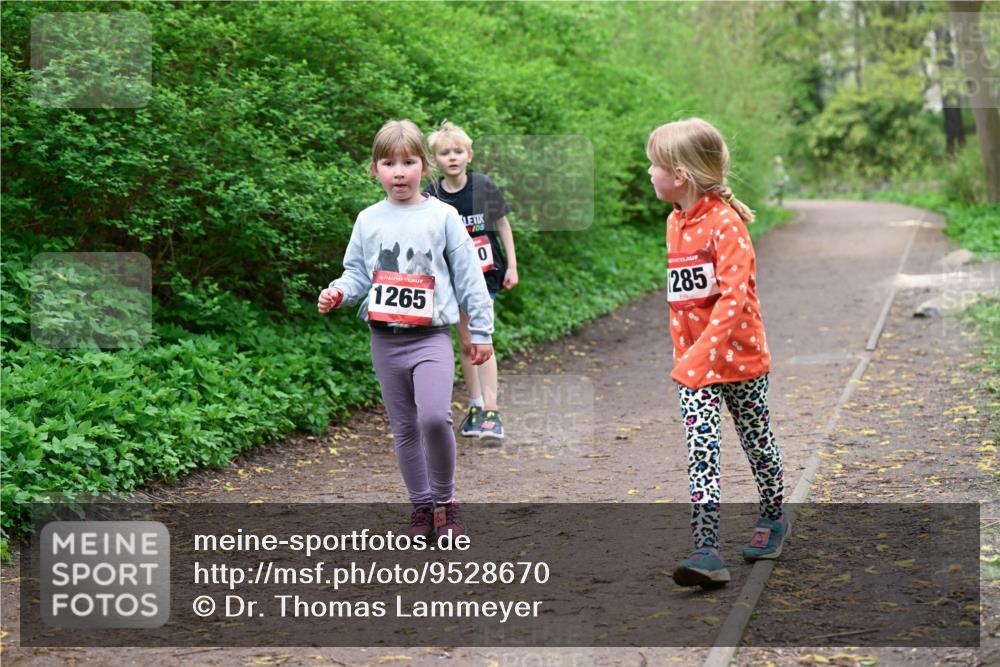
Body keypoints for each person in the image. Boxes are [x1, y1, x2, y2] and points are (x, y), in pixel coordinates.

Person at [318, 119, 494, 539]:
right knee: (404, 427)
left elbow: (470, 276)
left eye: (409, 162)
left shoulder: (444, 216)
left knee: (434, 417)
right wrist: (339, 293)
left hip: (431, 337)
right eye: (388, 163)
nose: (399, 172)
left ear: (425, 166)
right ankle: (420, 507)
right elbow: (357, 273)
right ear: (374, 169)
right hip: (385, 339)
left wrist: (482, 331)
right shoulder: (368, 219)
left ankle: (446, 505)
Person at [646, 118, 787, 588]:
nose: (649, 172)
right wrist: (688, 357)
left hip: (741, 360)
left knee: (757, 442)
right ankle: (706, 549)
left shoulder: (725, 224)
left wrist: (701, 354)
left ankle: (773, 515)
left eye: (655, 165)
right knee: (701, 451)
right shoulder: (674, 222)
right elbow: (684, 301)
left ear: (680, 174)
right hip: (696, 369)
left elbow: (734, 299)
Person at [425, 121, 518, 443]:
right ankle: (476, 405)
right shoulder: (432, 195)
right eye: (445, 153)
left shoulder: (483, 186)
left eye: (458, 152)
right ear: (434, 160)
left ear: (469, 155)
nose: (452, 157)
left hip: (486, 275)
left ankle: (492, 411)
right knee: (466, 342)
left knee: (481, 337)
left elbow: (503, 225)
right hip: (452, 280)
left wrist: (513, 267)